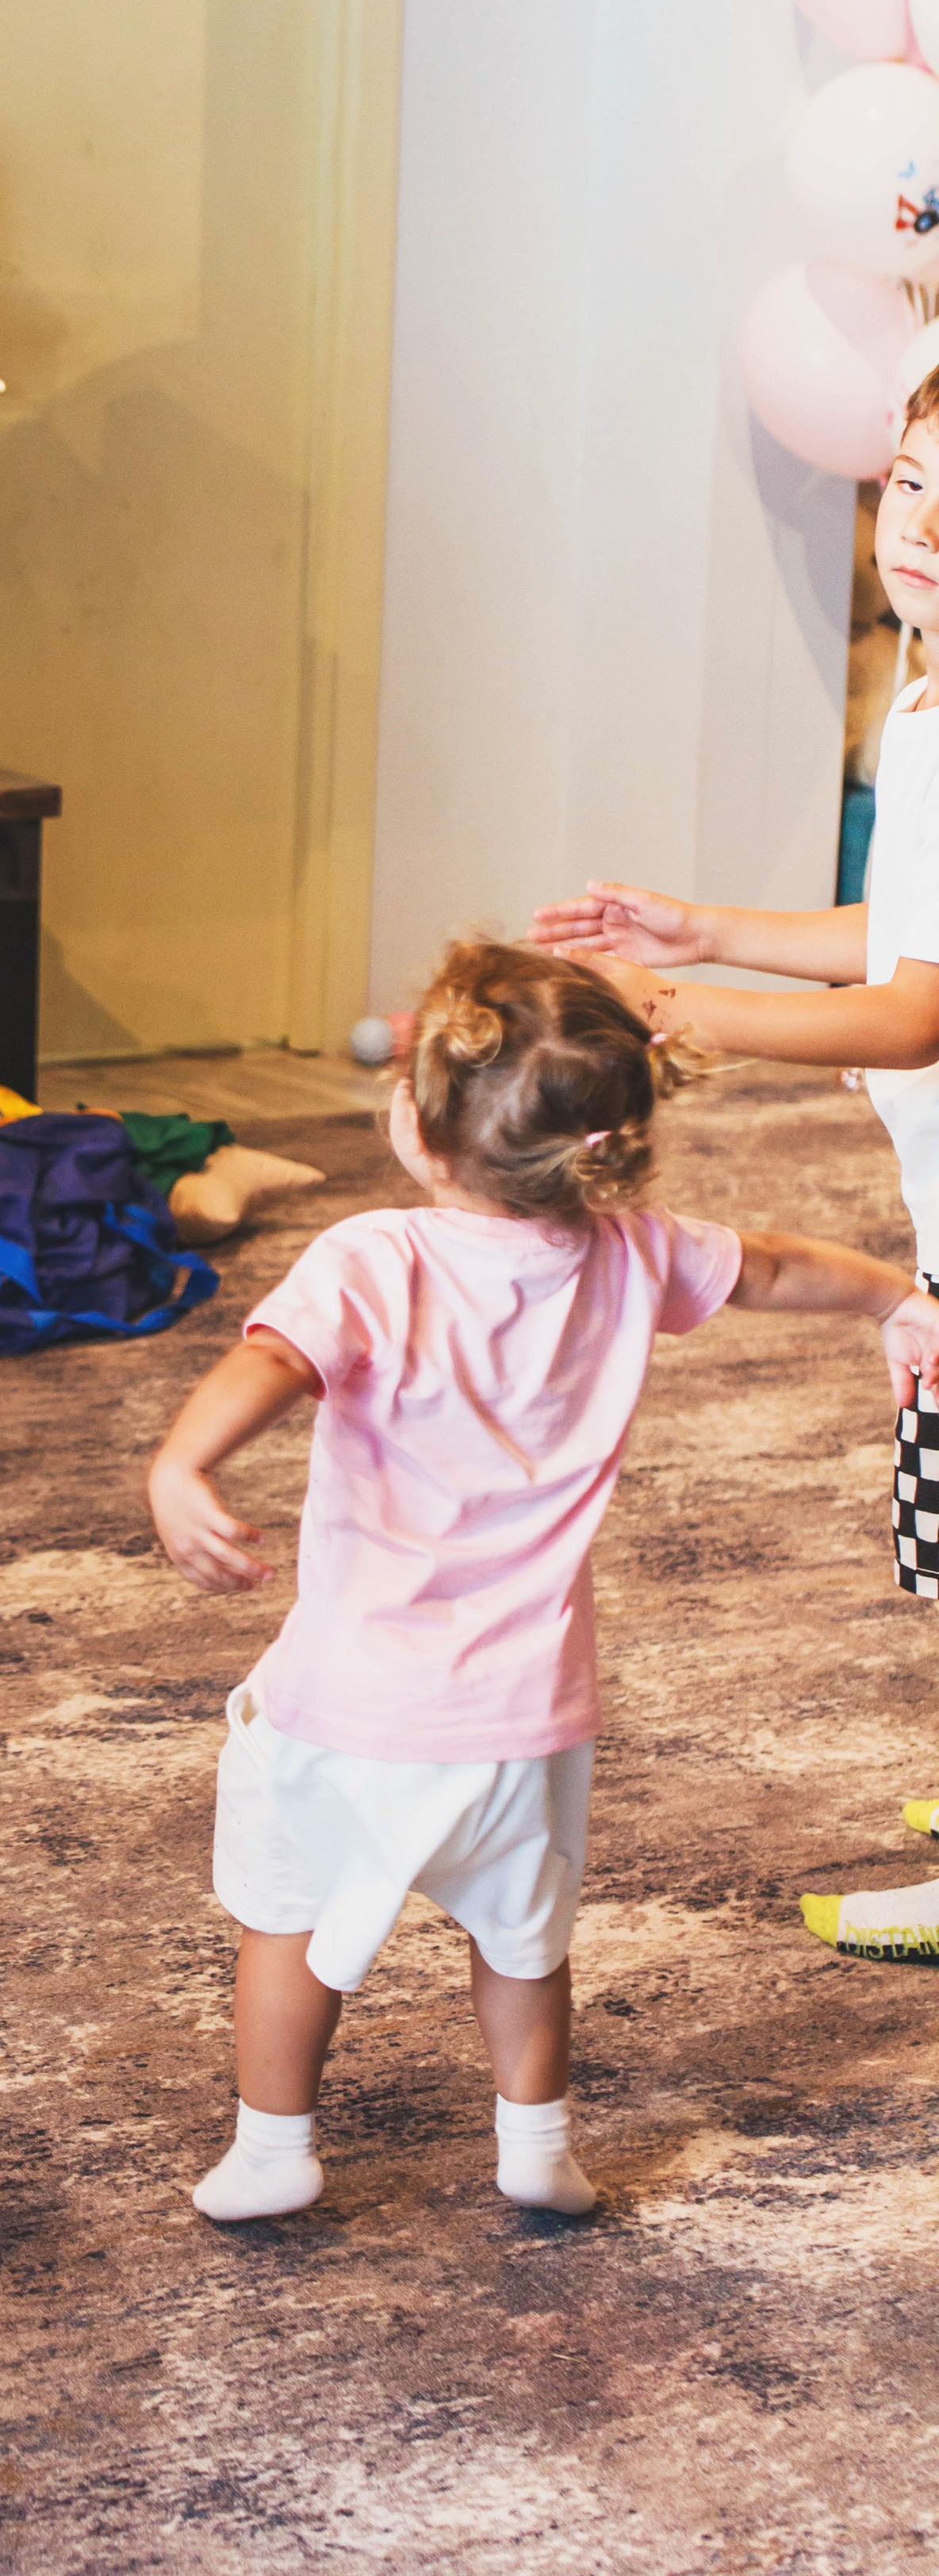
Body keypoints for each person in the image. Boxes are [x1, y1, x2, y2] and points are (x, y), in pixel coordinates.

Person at [148, 943, 939, 2222]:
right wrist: (903, 1295)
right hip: (527, 1716)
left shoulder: (372, 1258)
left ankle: (274, 2149)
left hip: (347, 1706)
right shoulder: (633, 1254)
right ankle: (536, 2145)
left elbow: (274, 1360)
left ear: (417, 1131)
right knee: (523, 1941)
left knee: (289, 1922)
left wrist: (185, 1462)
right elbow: (782, 1267)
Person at [530, 364, 939, 1956]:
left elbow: (912, 1016)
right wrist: (704, 931)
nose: (919, 527)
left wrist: (669, 1008)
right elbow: (893, 935)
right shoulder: (915, 683)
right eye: (909, 481)